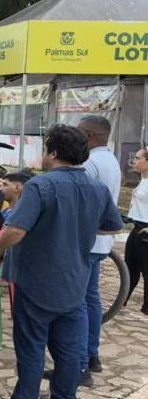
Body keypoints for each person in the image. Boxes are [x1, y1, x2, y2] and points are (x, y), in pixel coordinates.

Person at [0, 125, 123, 399]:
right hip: (76, 279)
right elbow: (113, 226)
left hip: (37, 280)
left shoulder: (40, 186)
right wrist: (78, 228)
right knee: (68, 348)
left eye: (45, 149)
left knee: (32, 345)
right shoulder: (96, 188)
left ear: (54, 152)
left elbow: (16, 230)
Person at [75, 115, 121, 378]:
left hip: (88, 241)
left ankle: (80, 363)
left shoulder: (90, 163)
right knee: (91, 298)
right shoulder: (111, 160)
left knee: (79, 303)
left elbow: (83, 205)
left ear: (89, 135)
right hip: (102, 242)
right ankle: (91, 353)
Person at [125, 147, 148, 315]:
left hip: (145, 231)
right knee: (129, 267)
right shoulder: (143, 179)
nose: (135, 160)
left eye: (139, 158)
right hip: (136, 228)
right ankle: (122, 300)